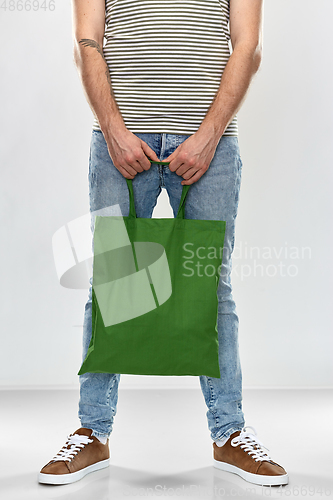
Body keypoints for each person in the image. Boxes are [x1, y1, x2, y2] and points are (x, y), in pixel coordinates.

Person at [38, 0, 288, 487]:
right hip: (120, 144)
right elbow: (87, 42)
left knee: (209, 283)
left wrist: (209, 135)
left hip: (210, 147)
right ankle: (93, 430)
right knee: (113, 281)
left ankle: (229, 433)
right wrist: (113, 130)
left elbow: (247, 46)